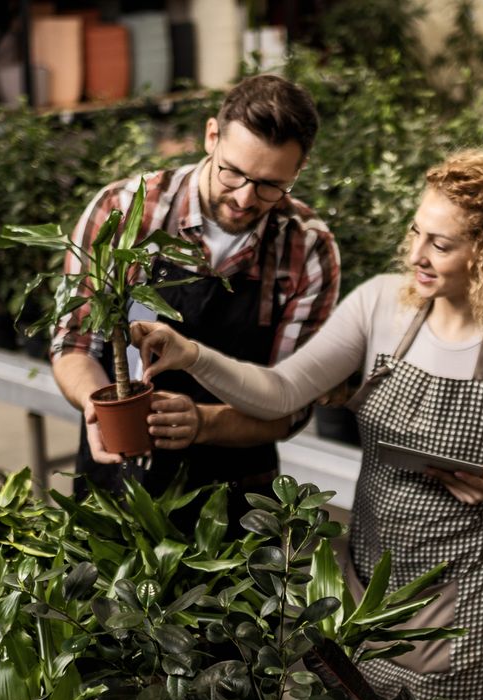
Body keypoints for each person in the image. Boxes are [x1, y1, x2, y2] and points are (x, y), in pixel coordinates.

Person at [131, 149, 483, 700]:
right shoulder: (382, 306)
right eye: (416, 232)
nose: (417, 254)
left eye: (441, 244)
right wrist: (192, 356)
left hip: (471, 591)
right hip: (372, 577)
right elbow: (279, 391)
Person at [50, 74, 340, 518]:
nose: (244, 198)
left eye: (269, 185)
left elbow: (292, 403)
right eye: (233, 172)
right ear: (211, 136)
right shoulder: (126, 212)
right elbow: (73, 345)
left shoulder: (306, 248)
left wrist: (203, 422)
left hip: (237, 494)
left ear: (297, 172)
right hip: (119, 475)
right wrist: (96, 407)